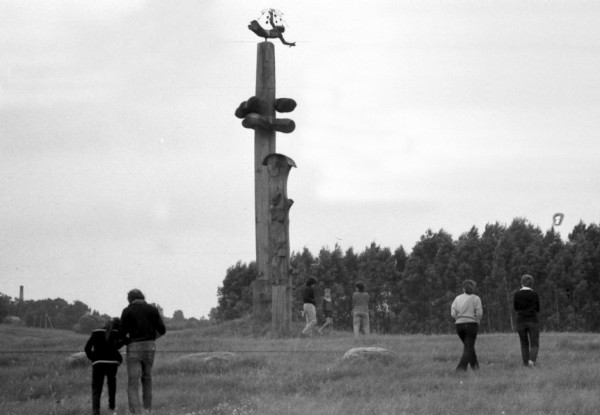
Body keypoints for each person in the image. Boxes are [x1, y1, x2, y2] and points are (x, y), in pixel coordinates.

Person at [120, 289, 166, 414]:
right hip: (150, 347)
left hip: (134, 347)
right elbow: (162, 329)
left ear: (130, 299)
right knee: (147, 378)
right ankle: (147, 409)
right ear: (142, 297)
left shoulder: (127, 311)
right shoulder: (152, 309)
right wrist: (151, 339)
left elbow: (122, 333)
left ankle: (135, 412)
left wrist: (129, 342)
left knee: (133, 381)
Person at [84, 317, 124, 415]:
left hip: (98, 363)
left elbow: (87, 348)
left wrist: (93, 358)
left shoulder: (96, 332)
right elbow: (118, 345)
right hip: (112, 363)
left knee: (96, 388)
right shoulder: (116, 333)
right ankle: (112, 406)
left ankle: (96, 411)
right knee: (112, 384)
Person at [451, 280, 482, 371]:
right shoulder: (476, 298)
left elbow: (453, 313)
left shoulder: (457, 298)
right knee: (469, 347)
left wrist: (458, 319)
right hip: (471, 324)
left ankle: (475, 367)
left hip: (459, 326)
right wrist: (477, 321)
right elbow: (479, 313)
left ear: (463, 288)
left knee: (469, 346)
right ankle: (461, 368)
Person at [514, 274, 540, 368]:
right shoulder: (534, 294)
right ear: (532, 284)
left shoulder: (517, 294)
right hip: (532, 320)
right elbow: (537, 308)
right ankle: (532, 360)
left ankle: (525, 364)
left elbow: (516, 308)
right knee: (534, 343)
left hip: (521, 321)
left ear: (521, 283)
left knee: (524, 343)